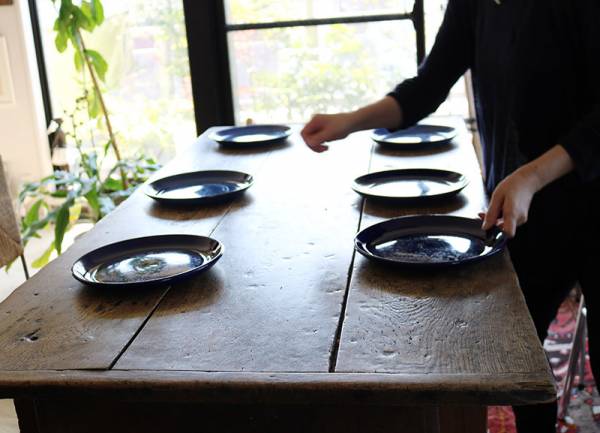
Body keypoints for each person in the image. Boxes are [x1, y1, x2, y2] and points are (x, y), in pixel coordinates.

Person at [300, 1, 600, 432]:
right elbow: (428, 85)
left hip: (587, 203)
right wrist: (351, 121)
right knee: (522, 367)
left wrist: (531, 177)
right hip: (520, 213)